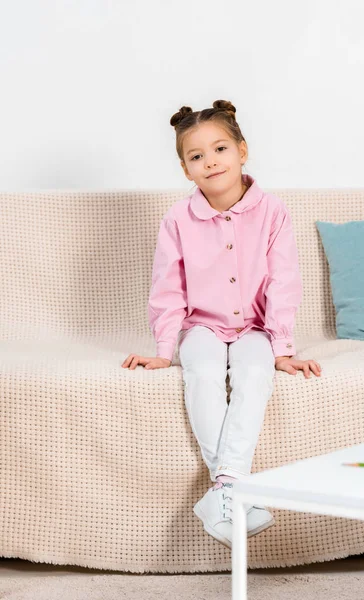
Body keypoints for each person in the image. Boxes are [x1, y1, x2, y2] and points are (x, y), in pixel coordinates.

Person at [121, 99, 322, 549]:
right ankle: (233, 488)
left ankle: (223, 491)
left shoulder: (272, 211)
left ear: (242, 151)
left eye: (220, 149)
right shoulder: (177, 219)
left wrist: (282, 347)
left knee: (255, 373)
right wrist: (163, 348)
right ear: (185, 169)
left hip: (255, 328)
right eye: (197, 157)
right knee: (204, 373)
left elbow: (283, 280)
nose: (210, 161)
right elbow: (168, 286)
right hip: (201, 328)